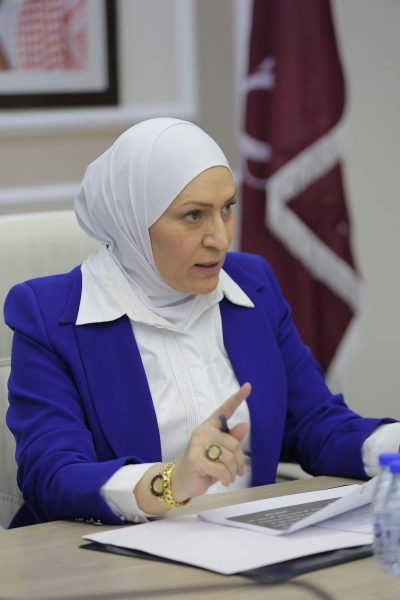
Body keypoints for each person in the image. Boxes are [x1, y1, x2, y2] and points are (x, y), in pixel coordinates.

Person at [4, 118, 400, 528]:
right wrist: (171, 481)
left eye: (227, 208)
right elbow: (51, 476)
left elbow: (313, 422)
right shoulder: (49, 314)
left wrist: (392, 444)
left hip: (250, 541)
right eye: (194, 215)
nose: (221, 239)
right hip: (108, 553)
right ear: (132, 220)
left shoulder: (253, 283)